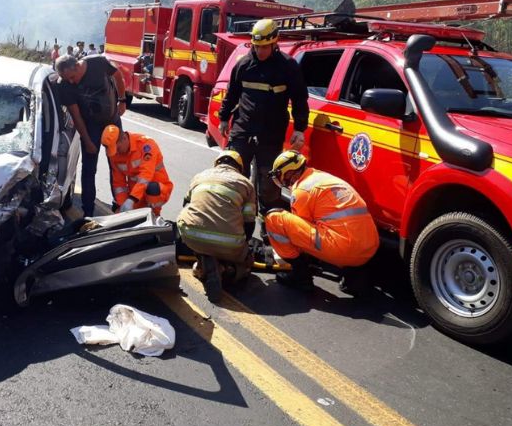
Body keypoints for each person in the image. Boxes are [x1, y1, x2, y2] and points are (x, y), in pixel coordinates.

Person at [217, 18, 309, 232]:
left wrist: (299, 129)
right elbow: (232, 94)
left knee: (269, 188)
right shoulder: (243, 64)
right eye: (256, 47)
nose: (259, 51)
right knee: (233, 179)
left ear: (274, 44)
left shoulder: (287, 67)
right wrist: (223, 118)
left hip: (270, 136)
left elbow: (299, 99)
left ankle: (269, 233)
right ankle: (233, 228)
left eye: (264, 47)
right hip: (242, 131)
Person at [264, 150, 380, 292]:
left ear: (288, 173)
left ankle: (300, 276)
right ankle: (355, 275)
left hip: (344, 249)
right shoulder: (324, 178)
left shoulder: (303, 190)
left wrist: (293, 256)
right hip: (369, 248)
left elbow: (300, 234)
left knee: (275, 218)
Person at [177, 150, 256, 302]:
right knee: (246, 263)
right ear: (239, 168)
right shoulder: (246, 184)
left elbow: (185, 204)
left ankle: (204, 261)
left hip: (192, 235)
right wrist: (243, 248)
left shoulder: (199, 176)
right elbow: (249, 222)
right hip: (229, 244)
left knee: (191, 225)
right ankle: (226, 269)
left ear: (217, 163)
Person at [56, 54, 128, 217]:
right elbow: (76, 116)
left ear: (78, 66)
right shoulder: (65, 85)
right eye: (68, 80)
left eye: (73, 77)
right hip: (90, 127)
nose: (72, 82)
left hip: (112, 121)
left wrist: (122, 100)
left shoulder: (98, 63)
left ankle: (120, 206)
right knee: (89, 169)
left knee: (117, 164)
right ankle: (88, 211)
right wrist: (87, 140)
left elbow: (117, 75)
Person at [100, 125, 173, 216]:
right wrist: (123, 204)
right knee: (119, 213)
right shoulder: (114, 154)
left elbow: (146, 176)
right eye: (114, 150)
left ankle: (155, 215)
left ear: (124, 138)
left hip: (156, 190)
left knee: (152, 189)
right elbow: (119, 184)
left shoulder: (146, 145)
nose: (116, 153)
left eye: (117, 149)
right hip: (135, 193)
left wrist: (131, 199)